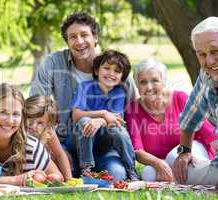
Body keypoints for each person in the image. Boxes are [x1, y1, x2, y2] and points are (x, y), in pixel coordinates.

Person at [30, 12, 137, 179]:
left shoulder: (116, 68)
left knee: (117, 175)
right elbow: (36, 110)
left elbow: (130, 116)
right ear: (67, 42)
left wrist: (102, 120)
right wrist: (56, 151)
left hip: (105, 145)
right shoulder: (53, 63)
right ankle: (82, 168)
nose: (79, 41)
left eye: (84, 35)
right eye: (73, 37)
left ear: (95, 38)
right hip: (68, 142)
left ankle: (124, 170)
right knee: (61, 173)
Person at [172, 16, 218, 191]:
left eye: (215, 51)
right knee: (174, 166)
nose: (209, 61)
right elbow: (191, 114)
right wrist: (184, 152)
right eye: (202, 54)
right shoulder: (209, 72)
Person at [125, 58, 218, 182]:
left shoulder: (180, 98)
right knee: (148, 173)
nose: (149, 87)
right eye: (143, 82)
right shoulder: (132, 109)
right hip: (163, 161)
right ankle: (194, 178)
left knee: (175, 156)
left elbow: (209, 133)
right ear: (137, 85)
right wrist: (159, 164)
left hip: (192, 150)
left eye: (155, 81)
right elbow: (137, 151)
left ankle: (216, 174)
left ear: (163, 82)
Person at [71, 50, 138, 181]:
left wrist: (100, 121)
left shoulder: (119, 92)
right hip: (81, 142)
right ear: (96, 71)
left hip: (105, 145)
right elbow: (76, 115)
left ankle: (131, 169)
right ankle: (86, 169)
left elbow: (117, 119)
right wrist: (103, 114)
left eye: (117, 71)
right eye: (106, 68)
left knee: (118, 129)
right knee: (85, 121)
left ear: (121, 77)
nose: (111, 73)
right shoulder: (85, 87)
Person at [24, 95, 72, 180]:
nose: (33, 125)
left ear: (47, 125)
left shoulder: (47, 131)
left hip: (40, 163)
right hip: (22, 163)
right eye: (30, 118)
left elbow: (60, 154)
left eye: (40, 123)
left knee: (64, 156)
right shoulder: (18, 129)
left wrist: (69, 179)